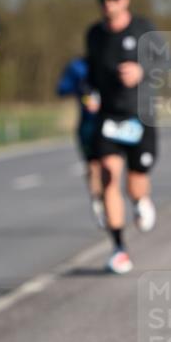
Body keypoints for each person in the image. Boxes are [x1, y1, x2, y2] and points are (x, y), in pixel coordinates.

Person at [85, 0, 167, 274]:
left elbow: (165, 61)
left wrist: (142, 71)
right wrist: (89, 93)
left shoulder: (143, 28)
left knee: (136, 181)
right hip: (109, 115)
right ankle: (119, 248)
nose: (109, 3)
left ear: (125, 0)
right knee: (108, 175)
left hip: (140, 115)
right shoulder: (95, 35)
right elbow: (91, 72)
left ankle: (141, 200)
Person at [56, 56, 105, 228]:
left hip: (112, 123)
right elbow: (62, 89)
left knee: (111, 165)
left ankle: (111, 199)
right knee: (93, 165)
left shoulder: (115, 59)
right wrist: (81, 88)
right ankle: (98, 201)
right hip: (89, 126)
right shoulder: (78, 67)